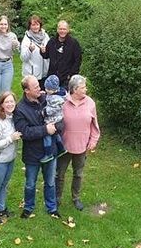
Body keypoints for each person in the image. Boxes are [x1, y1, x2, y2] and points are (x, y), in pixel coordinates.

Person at [13, 75, 61, 219]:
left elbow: (60, 119)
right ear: (27, 90)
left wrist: (56, 127)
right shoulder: (20, 109)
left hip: (50, 150)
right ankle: (28, 207)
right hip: (32, 154)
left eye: (39, 85)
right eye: (35, 87)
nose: (39, 89)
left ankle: (52, 208)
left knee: (50, 182)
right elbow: (25, 132)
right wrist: (45, 130)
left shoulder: (47, 100)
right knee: (30, 183)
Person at [57, 75, 100, 211]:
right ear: (75, 89)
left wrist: (93, 141)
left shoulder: (90, 103)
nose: (85, 89)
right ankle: (56, 198)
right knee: (59, 174)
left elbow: (94, 126)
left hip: (82, 147)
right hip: (64, 146)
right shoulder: (63, 102)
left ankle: (76, 198)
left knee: (78, 173)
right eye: (83, 88)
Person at [0, 92, 21, 224]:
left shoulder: (13, 117)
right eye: (7, 102)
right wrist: (10, 139)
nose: (10, 104)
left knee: (4, 185)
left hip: (10, 158)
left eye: (12, 101)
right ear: (1, 104)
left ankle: (2, 208)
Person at [0, 15, 20, 114]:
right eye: (1, 24)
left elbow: (18, 50)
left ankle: (5, 113)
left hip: (7, 65)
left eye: (5, 24)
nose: (3, 26)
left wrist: (17, 45)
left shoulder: (12, 36)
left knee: (5, 92)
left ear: (8, 25)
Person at [45, 20, 82, 89]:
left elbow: (78, 60)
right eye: (60, 29)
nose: (62, 31)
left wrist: (71, 74)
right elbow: (46, 55)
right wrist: (42, 51)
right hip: (53, 76)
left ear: (68, 30)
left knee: (65, 98)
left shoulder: (73, 43)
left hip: (66, 78)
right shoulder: (52, 42)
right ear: (57, 30)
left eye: (64, 29)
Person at [41, 75, 67, 162]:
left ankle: (48, 153)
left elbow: (53, 109)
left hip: (53, 120)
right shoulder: (58, 94)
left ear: (53, 90)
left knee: (47, 134)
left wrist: (44, 112)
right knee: (56, 135)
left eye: (48, 89)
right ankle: (62, 148)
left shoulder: (55, 99)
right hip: (59, 119)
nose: (46, 90)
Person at [20, 15, 50, 84]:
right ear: (30, 26)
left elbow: (50, 54)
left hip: (44, 73)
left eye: (37, 24)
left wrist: (45, 51)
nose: (35, 27)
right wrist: (29, 50)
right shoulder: (27, 39)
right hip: (32, 75)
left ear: (40, 25)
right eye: (33, 25)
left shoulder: (45, 36)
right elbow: (23, 58)